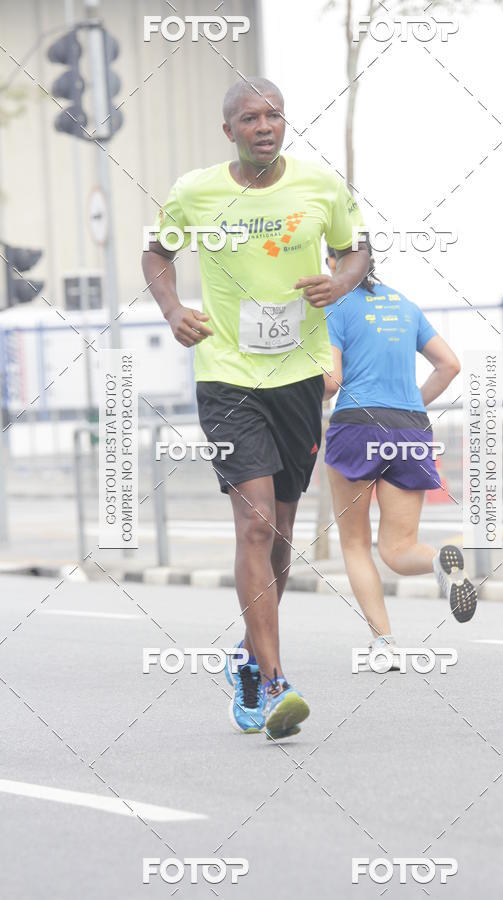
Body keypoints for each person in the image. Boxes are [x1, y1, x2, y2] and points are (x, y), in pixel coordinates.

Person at [142, 79, 369, 738]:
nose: (264, 125)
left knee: (281, 544)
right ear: (230, 131)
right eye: (250, 117)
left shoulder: (321, 187)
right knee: (254, 525)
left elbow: (357, 247)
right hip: (228, 375)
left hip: (298, 374)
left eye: (273, 115)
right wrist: (174, 310)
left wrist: (342, 279)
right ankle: (275, 683)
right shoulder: (196, 191)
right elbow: (157, 251)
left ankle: (245, 659)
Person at [322, 243, 477, 666]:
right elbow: (449, 365)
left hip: (356, 426)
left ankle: (385, 645)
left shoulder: (334, 306)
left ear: (334, 263)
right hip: (410, 429)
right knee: (398, 548)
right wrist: (413, 402)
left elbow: (332, 381)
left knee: (356, 544)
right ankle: (440, 565)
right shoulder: (406, 306)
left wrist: (293, 398)